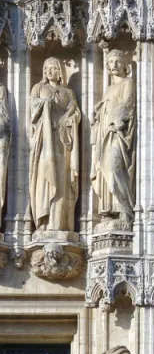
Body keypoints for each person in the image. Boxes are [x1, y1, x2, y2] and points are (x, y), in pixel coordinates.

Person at [30, 57, 81, 231]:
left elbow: (76, 113)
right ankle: (44, 221)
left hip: (63, 141)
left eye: (53, 68)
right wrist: (45, 103)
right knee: (45, 178)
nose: (50, 71)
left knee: (63, 181)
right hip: (45, 141)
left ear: (60, 71)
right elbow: (32, 109)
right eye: (47, 68)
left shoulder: (68, 92)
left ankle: (61, 223)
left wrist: (70, 119)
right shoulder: (39, 88)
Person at [92, 49, 137, 230]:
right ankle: (110, 209)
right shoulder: (110, 88)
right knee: (105, 169)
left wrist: (117, 120)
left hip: (118, 132)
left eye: (118, 61)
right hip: (105, 133)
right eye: (111, 62)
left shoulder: (128, 83)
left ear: (126, 65)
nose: (114, 65)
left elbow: (128, 104)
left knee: (114, 167)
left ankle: (126, 210)